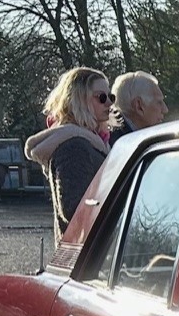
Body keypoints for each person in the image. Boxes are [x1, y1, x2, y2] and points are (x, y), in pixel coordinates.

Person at [25, 67, 113, 240]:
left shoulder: (96, 142)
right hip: (86, 256)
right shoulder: (74, 146)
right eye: (101, 97)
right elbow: (74, 209)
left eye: (111, 97)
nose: (109, 103)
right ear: (79, 100)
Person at [108, 71, 169, 144]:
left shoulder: (117, 137)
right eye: (159, 102)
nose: (165, 110)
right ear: (139, 106)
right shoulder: (120, 144)